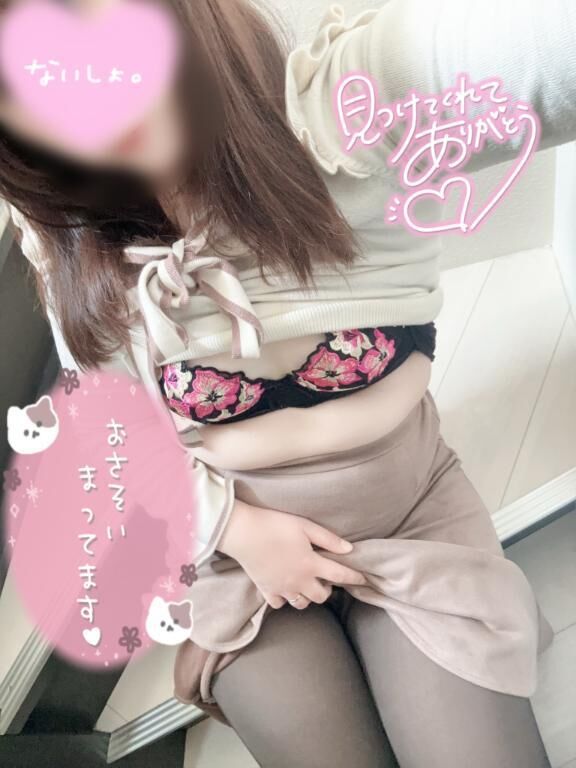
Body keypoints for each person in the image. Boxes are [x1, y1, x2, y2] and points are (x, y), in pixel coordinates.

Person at [2, 0, 574, 765]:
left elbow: (540, 48)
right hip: (236, 554)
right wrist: (236, 532)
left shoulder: (353, 104)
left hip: (410, 515)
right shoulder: (69, 239)